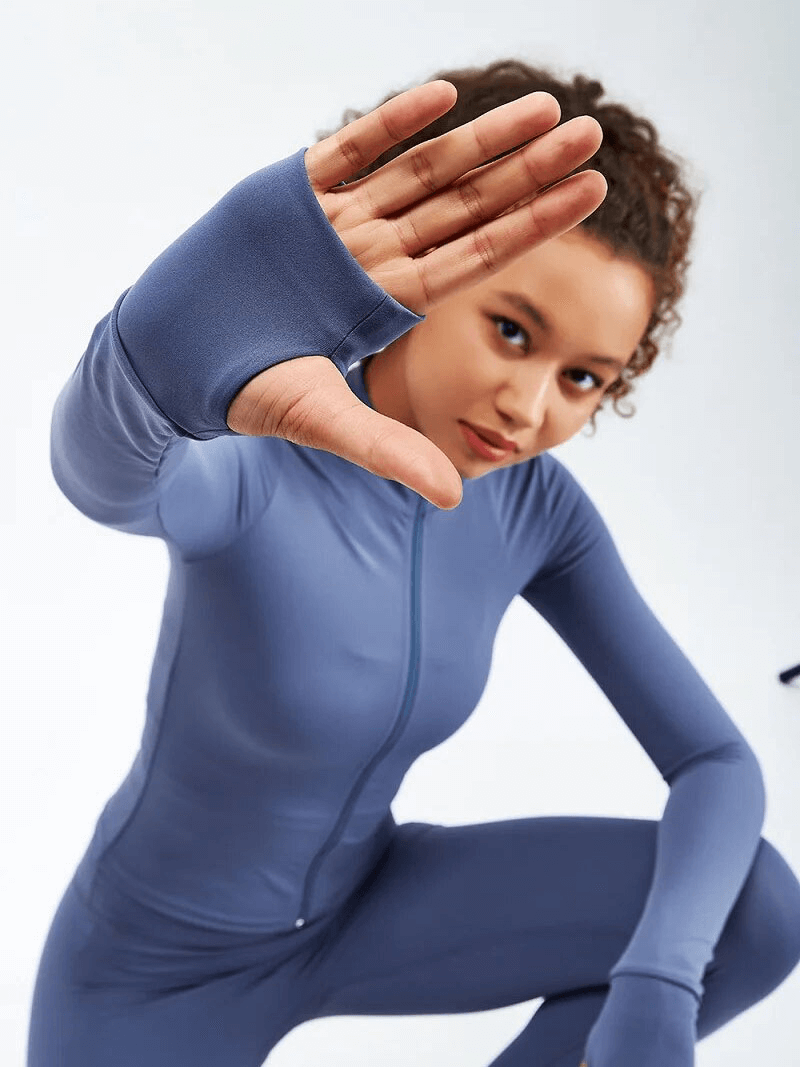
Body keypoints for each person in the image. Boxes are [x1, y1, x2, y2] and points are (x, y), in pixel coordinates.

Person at [26, 58, 800, 1067]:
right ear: (415, 275)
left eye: (580, 376)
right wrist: (169, 344)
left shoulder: (533, 509)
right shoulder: (256, 458)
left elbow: (714, 762)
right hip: (153, 968)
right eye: (509, 330)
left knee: (754, 908)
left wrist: (657, 976)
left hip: (367, 908)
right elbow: (104, 475)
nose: (529, 408)